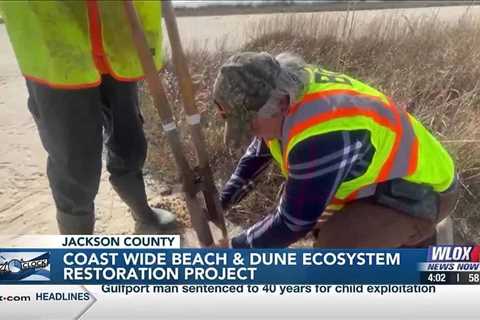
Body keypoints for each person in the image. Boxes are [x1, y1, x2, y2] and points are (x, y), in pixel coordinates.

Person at [212, 52, 458, 248]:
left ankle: (418, 245)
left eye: (250, 124)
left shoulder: (321, 134)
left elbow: (293, 223)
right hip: (379, 181)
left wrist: (235, 250)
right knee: (313, 210)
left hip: (419, 194)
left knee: (335, 252)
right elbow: (261, 148)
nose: (251, 133)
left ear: (282, 103)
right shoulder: (283, 87)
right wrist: (223, 200)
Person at [0, 2, 175, 234]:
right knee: (73, 154)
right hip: (54, 36)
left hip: (118, 31)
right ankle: (77, 244)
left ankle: (142, 211)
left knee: (129, 138)